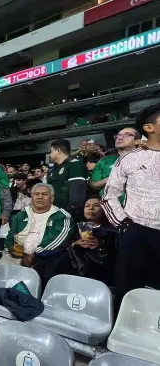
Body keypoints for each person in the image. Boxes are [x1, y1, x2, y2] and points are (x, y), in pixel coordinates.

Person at [102, 104, 160, 310]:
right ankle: (120, 332)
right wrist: (125, 225)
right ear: (149, 128)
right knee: (128, 292)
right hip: (137, 232)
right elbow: (109, 196)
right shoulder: (129, 159)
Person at [1, 183, 74, 285]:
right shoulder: (21, 214)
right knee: (1, 271)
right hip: (18, 254)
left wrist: (34, 254)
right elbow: (11, 235)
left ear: (52, 198)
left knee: (35, 279)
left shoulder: (61, 216)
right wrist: (10, 248)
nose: (40, 197)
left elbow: (56, 240)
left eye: (44, 194)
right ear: (32, 197)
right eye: (36, 194)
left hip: (43, 257)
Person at [89, 127, 140, 200]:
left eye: (127, 135)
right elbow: (93, 184)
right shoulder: (105, 160)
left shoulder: (148, 159)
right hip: (109, 207)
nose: (120, 138)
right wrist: (111, 178)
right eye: (118, 135)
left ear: (137, 141)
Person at [47, 139, 88, 220]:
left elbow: (77, 196)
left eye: (51, 151)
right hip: (53, 214)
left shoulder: (75, 164)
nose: (49, 155)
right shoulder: (52, 170)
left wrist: (69, 216)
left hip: (68, 215)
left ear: (58, 150)